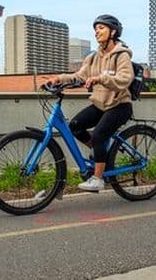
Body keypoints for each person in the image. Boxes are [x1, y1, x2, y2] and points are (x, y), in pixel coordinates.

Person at [46, 14, 134, 192]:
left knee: (99, 135)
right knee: (75, 126)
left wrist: (100, 78)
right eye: (95, 29)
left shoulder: (121, 55)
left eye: (101, 28)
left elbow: (125, 79)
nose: (97, 32)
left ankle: (98, 178)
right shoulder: (93, 57)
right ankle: (100, 155)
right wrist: (58, 79)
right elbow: (79, 76)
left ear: (113, 32)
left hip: (119, 105)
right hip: (101, 104)